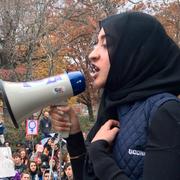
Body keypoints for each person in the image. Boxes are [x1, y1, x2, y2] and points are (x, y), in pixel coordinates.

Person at [50, 12, 180, 180]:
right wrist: (74, 134)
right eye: (96, 43)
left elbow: (100, 160)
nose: (92, 54)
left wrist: (99, 155)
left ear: (133, 52)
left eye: (106, 44)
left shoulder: (165, 112)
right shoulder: (113, 106)